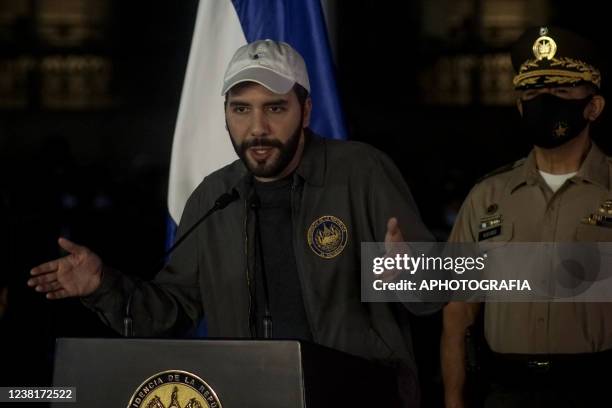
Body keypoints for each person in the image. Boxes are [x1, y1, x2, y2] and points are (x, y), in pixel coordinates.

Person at [28, 39, 438, 405]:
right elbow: (172, 312)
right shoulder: (213, 195)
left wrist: (410, 272)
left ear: (306, 110)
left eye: (275, 108)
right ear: (225, 115)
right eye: (241, 109)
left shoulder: (361, 170)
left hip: (356, 395)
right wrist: (103, 287)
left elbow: (448, 285)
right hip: (250, 394)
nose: (257, 128)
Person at [441, 26, 610, 407]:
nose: (545, 103)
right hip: (506, 393)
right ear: (520, 107)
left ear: (593, 107)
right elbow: (458, 311)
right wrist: (454, 400)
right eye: (533, 93)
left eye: (561, 92)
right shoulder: (488, 196)